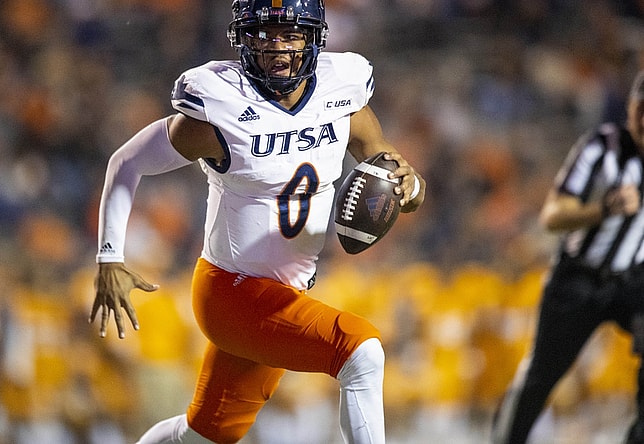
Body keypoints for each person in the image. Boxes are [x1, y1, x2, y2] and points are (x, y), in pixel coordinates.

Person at [89, 1, 426, 443]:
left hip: (285, 293)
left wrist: (412, 187)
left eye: (290, 33)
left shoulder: (341, 94)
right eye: (263, 34)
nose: (277, 47)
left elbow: (396, 178)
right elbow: (126, 162)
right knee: (360, 351)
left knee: (205, 434)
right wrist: (109, 256)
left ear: (313, 37)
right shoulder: (220, 109)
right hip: (230, 291)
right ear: (242, 38)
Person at [492, 69, 644, 444]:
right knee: (541, 376)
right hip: (579, 278)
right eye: (643, 109)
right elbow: (553, 215)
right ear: (631, 108)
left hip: (634, 281)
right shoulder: (601, 147)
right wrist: (603, 209)